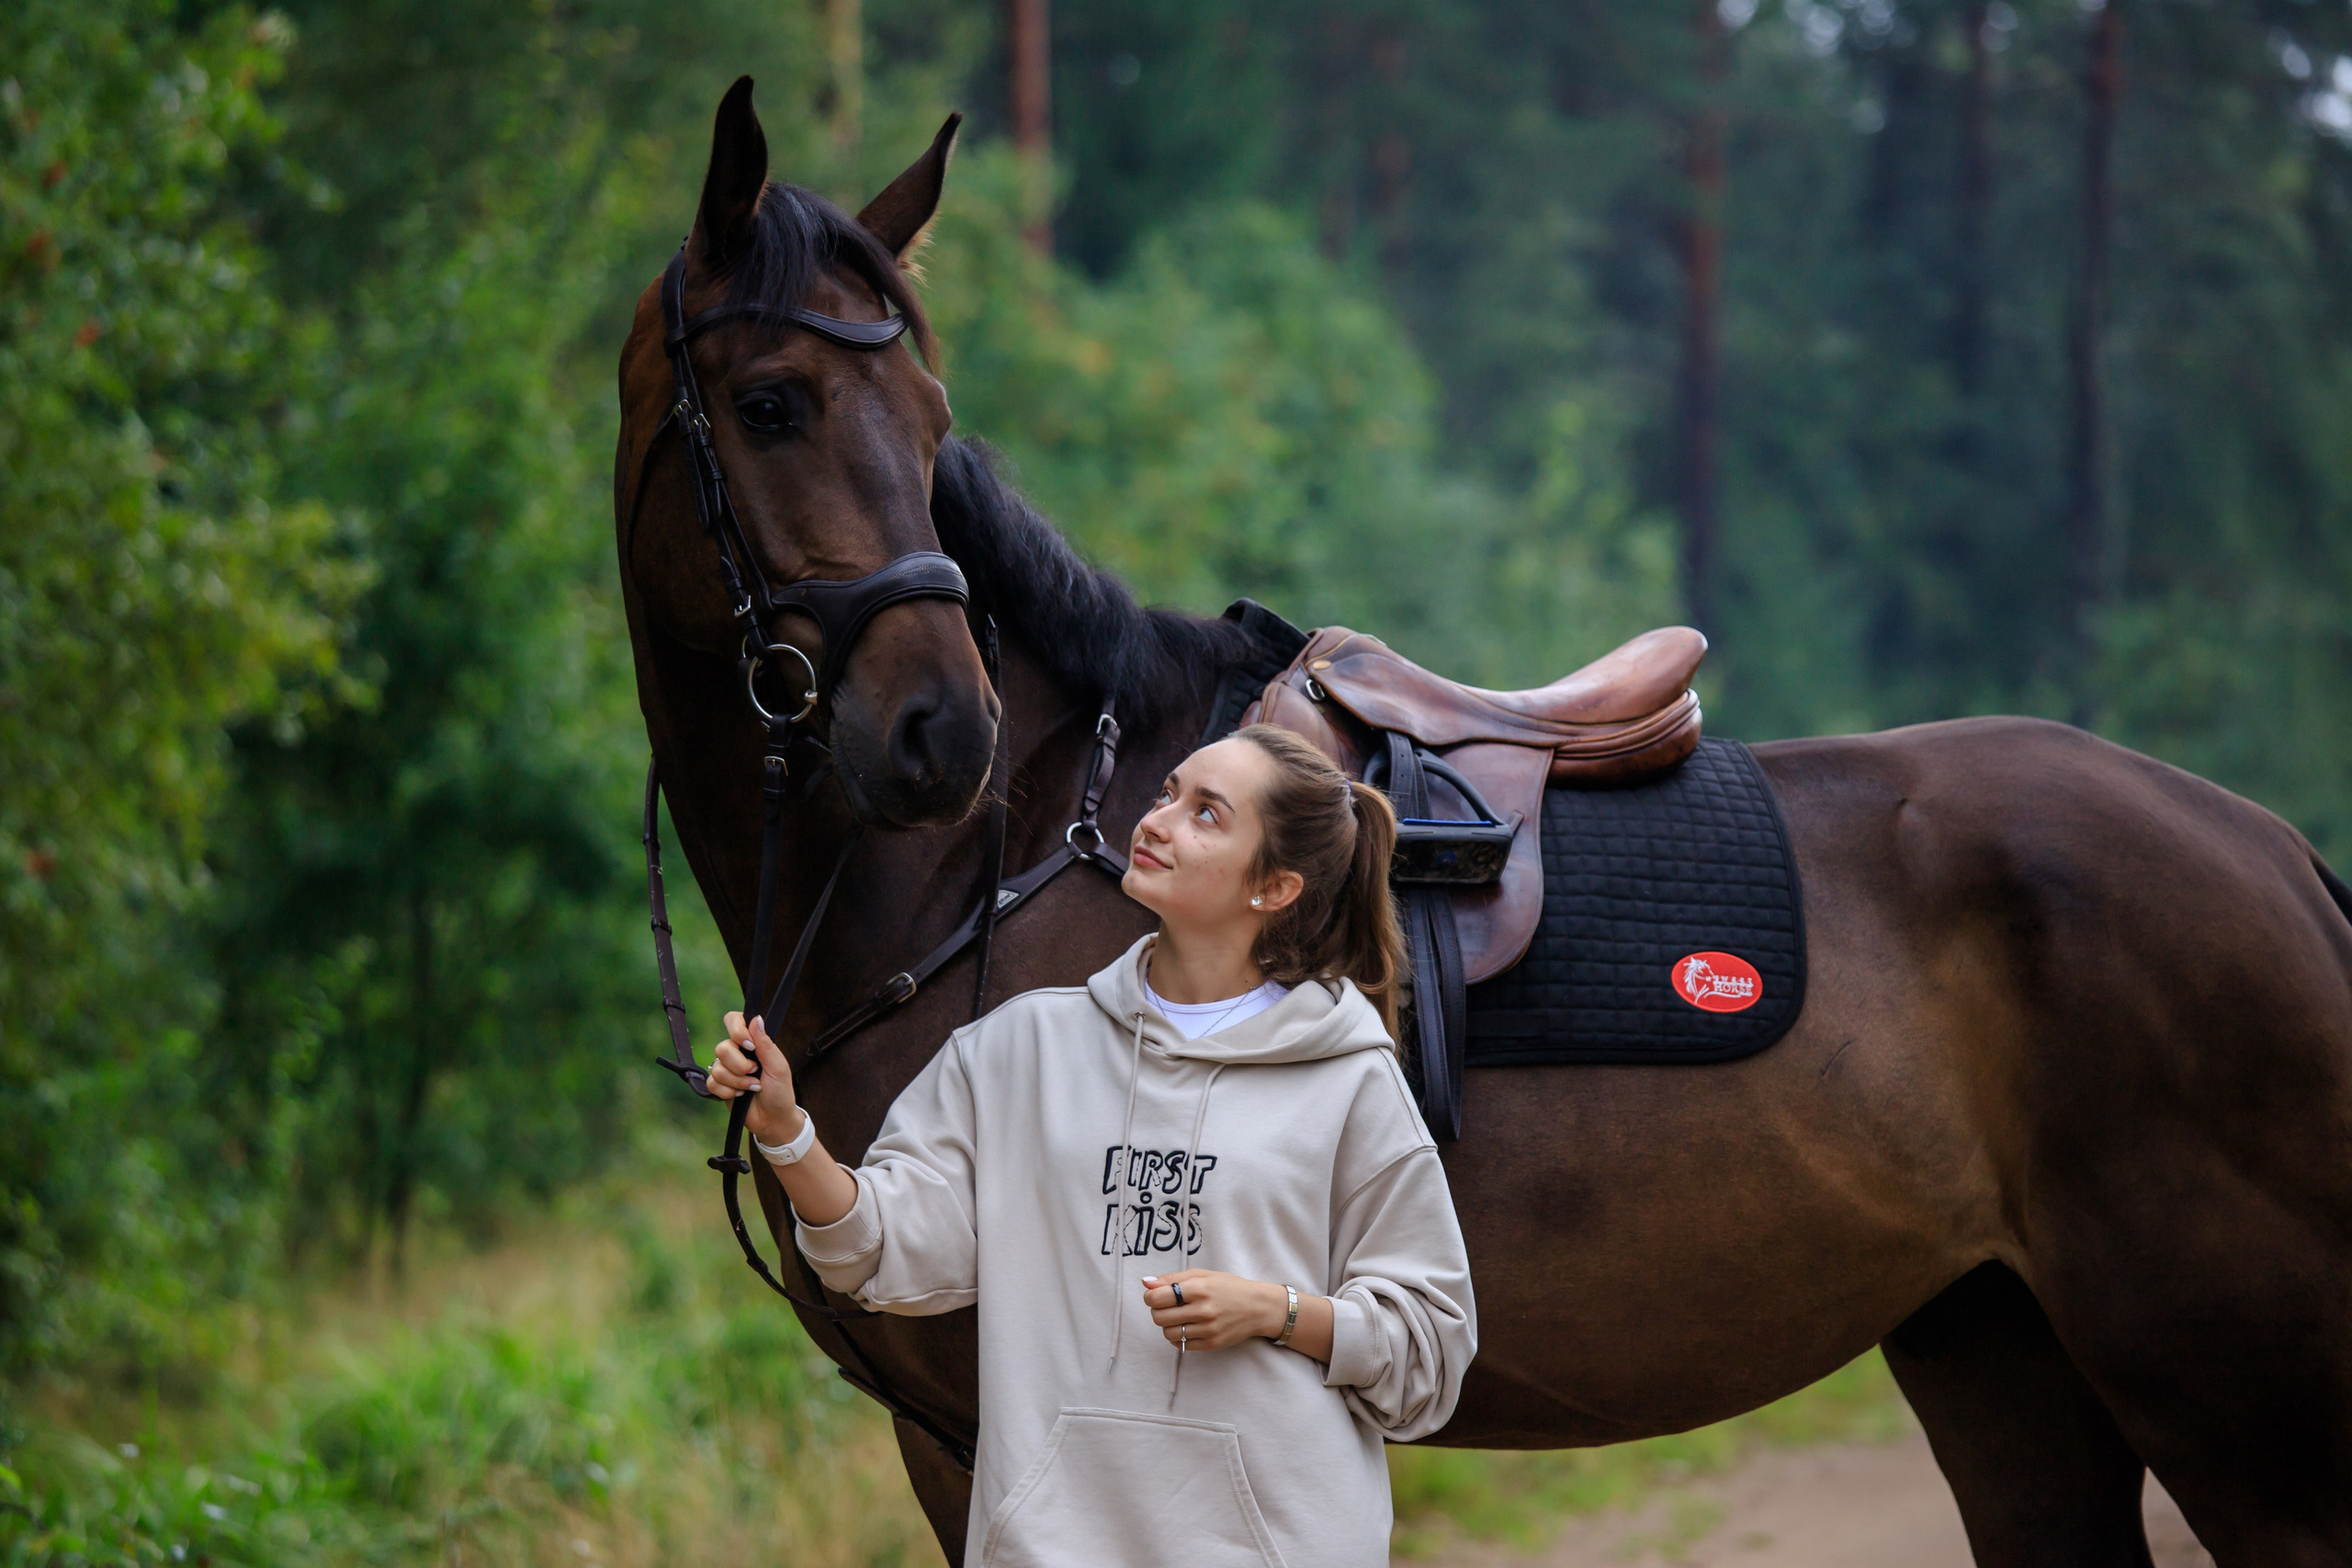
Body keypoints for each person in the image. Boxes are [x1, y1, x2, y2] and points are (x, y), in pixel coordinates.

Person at [706, 723, 1476, 1567]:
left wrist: (1280, 1311)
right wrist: (787, 1132)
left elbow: (1430, 1348)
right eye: (1166, 793)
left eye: (1208, 814)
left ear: (1275, 886)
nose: (1157, 820)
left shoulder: (1349, 1078)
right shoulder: (1019, 1047)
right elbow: (886, 1248)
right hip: (1052, 1542)